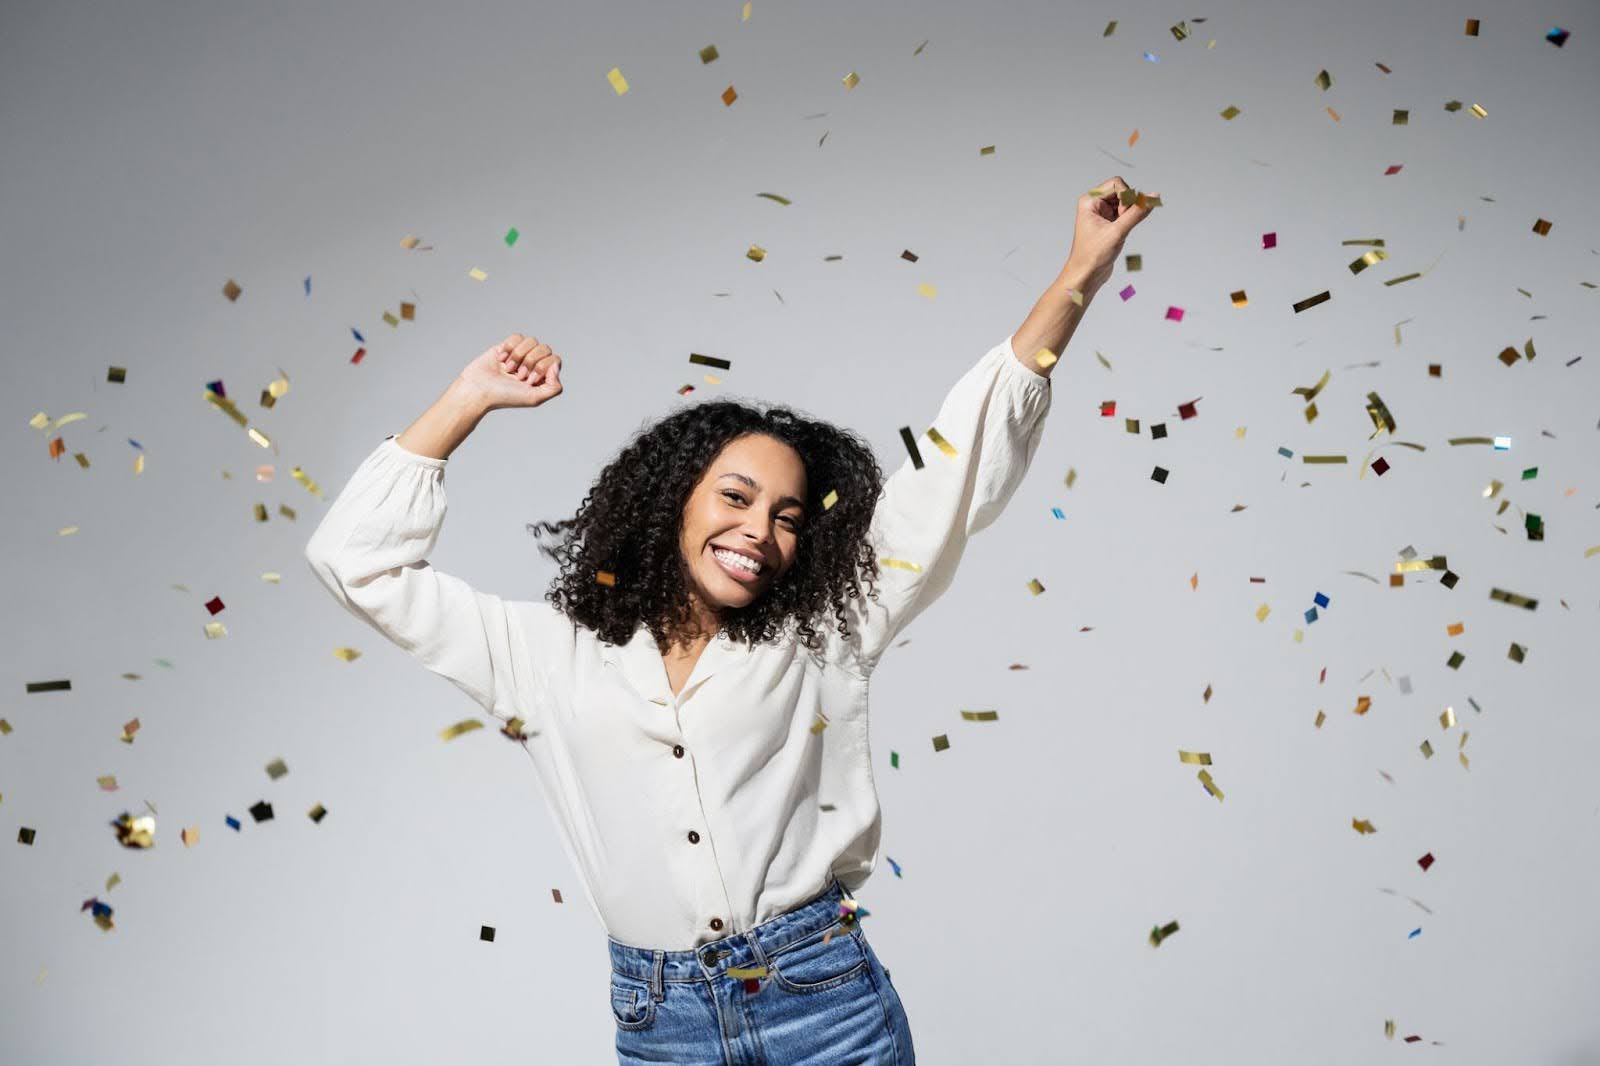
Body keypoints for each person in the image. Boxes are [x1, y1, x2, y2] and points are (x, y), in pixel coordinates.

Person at [304, 177, 1157, 1064]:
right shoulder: (540, 654)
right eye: (737, 497)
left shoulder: (827, 627)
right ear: (674, 501)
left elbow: (959, 462)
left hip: (822, 1002)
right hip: (658, 1019)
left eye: (788, 516)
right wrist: (466, 400)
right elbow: (355, 560)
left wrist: (1079, 276)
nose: (760, 529)